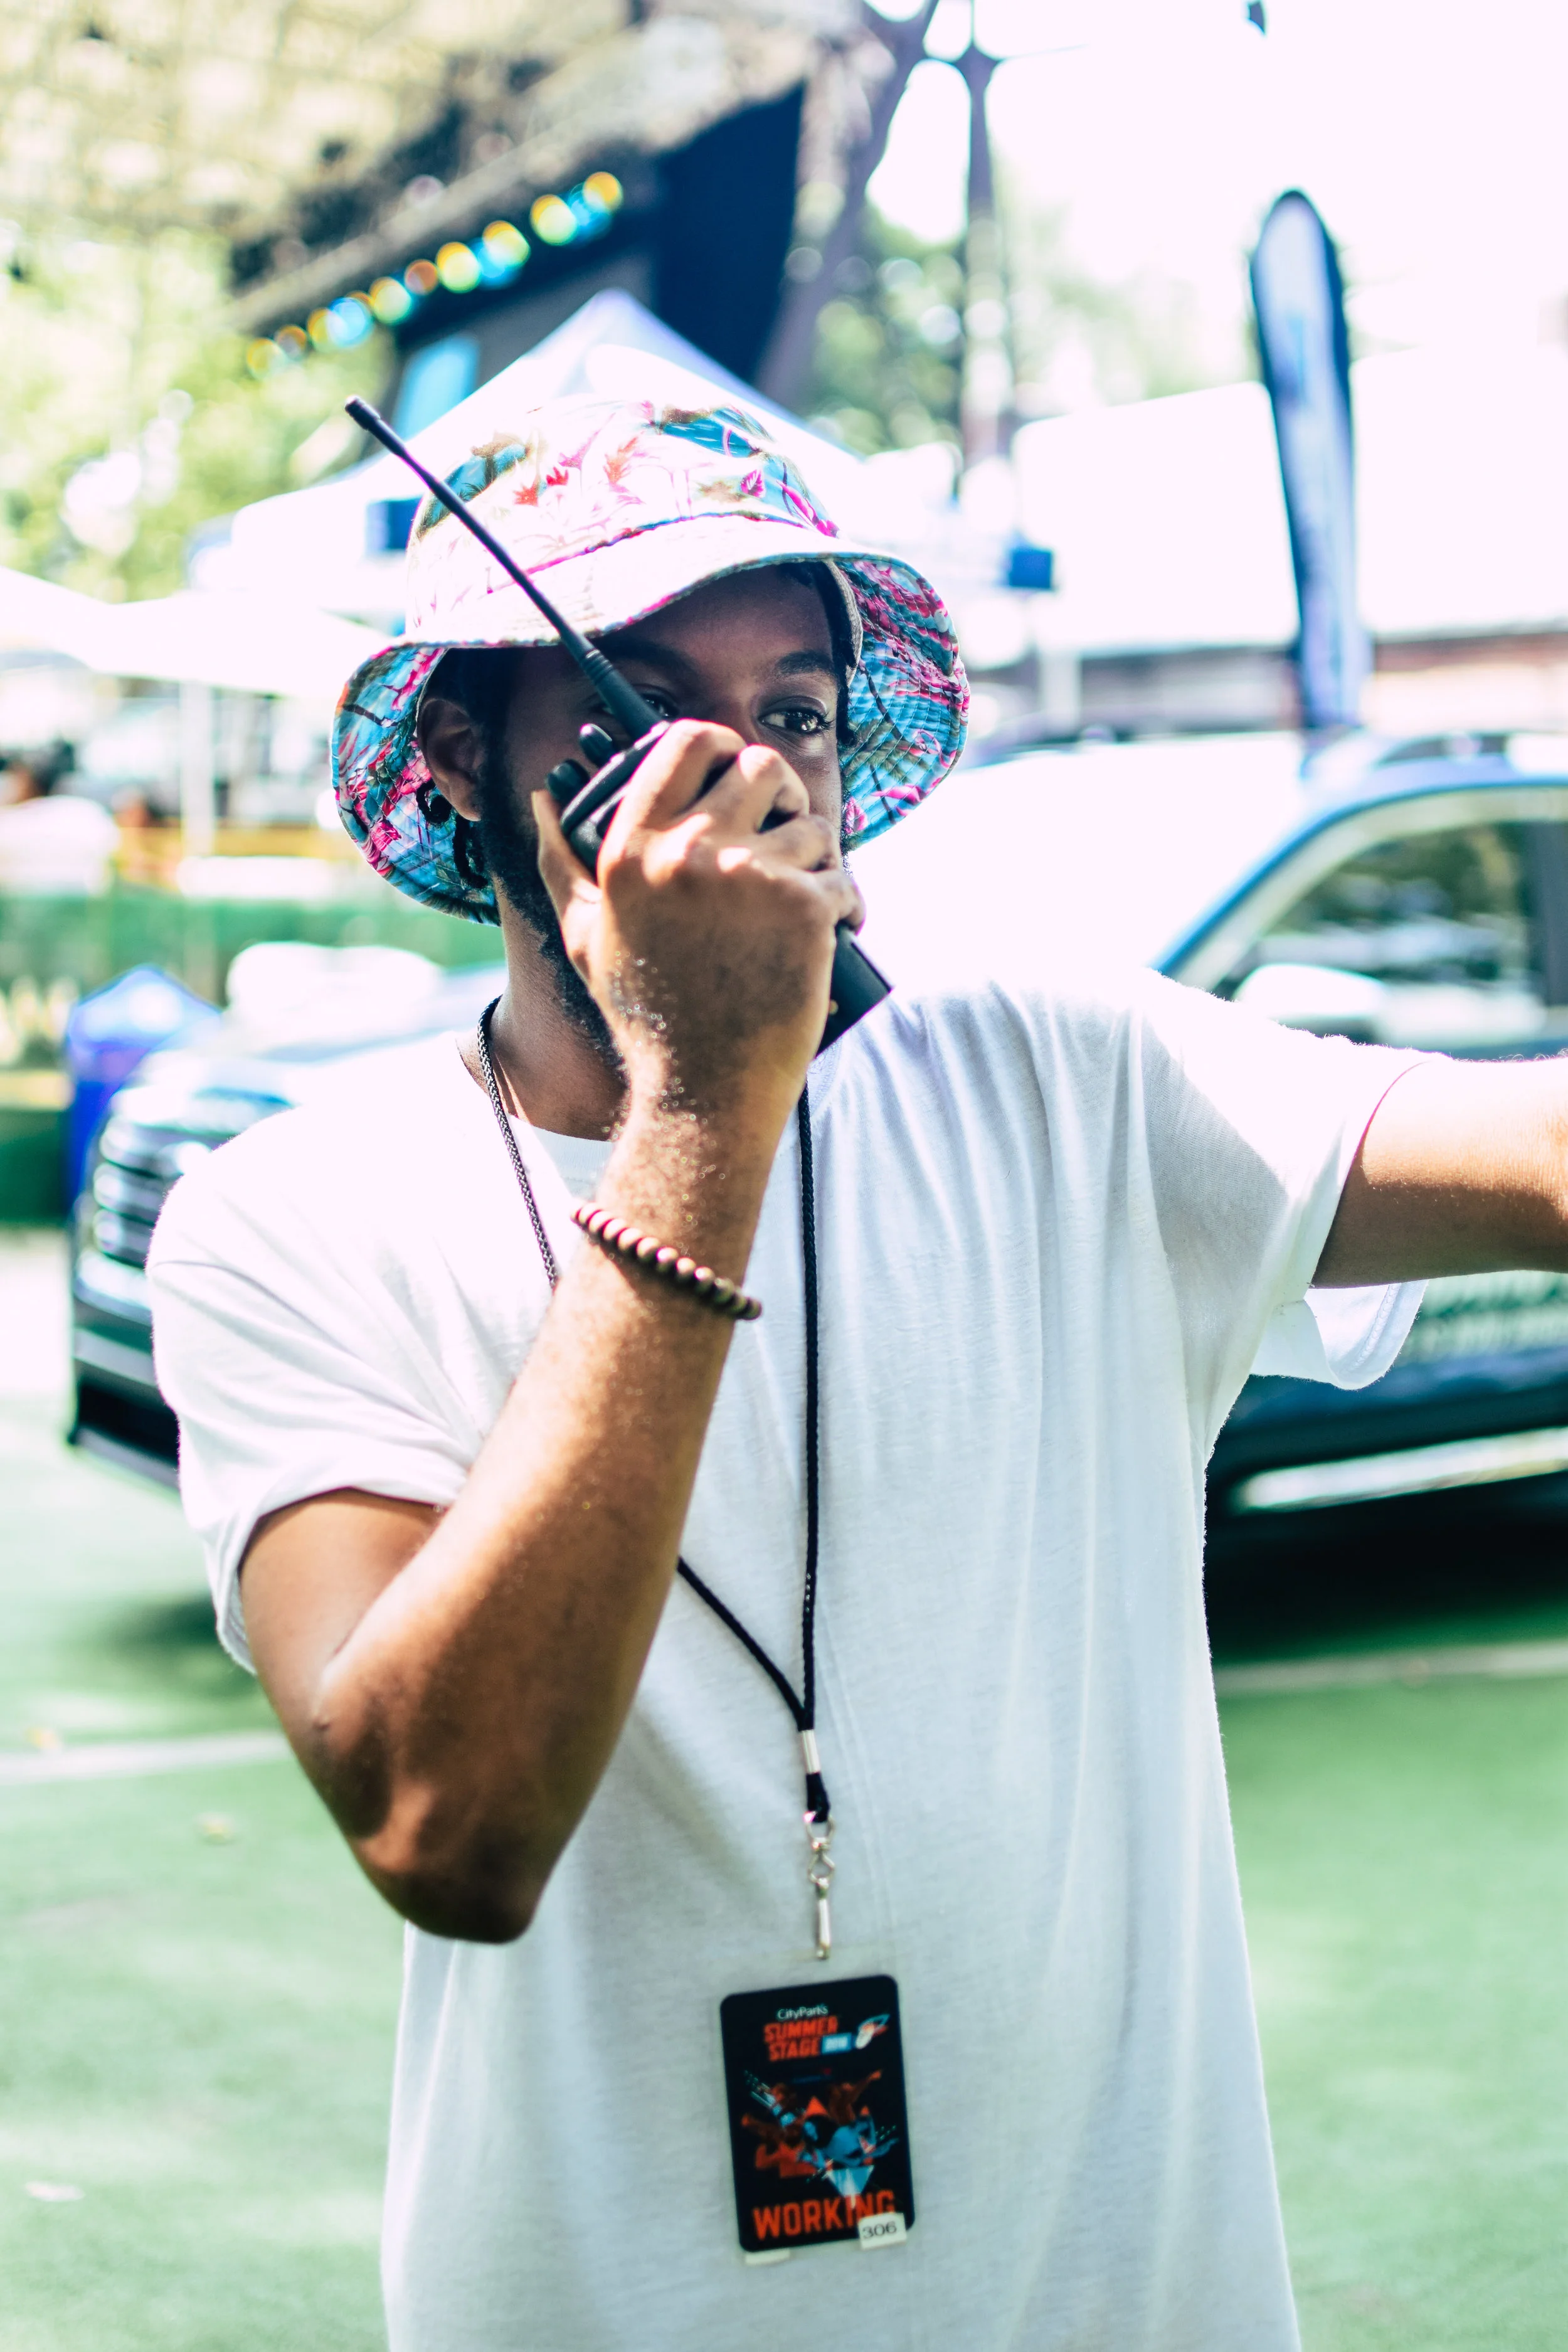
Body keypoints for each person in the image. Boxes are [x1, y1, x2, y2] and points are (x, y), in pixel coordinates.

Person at [147, 397, 1568, 2351]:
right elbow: (442, 1821)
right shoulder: (286, 1213)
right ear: (470, 753)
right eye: (643, 710)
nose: (749, 779)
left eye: (795, 712)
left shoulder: (1062, 1082)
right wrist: (701, 1110)